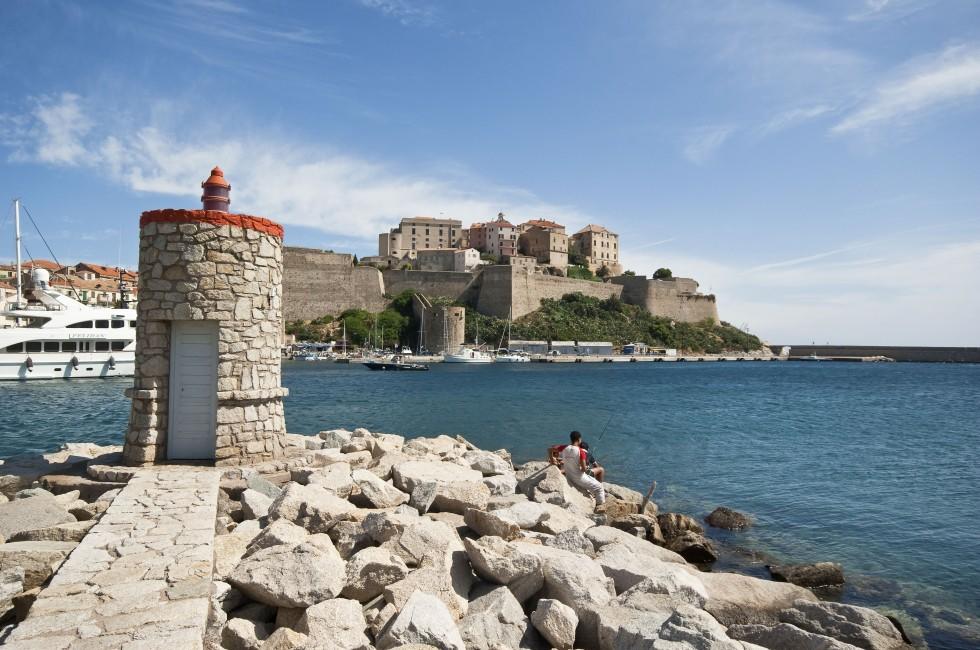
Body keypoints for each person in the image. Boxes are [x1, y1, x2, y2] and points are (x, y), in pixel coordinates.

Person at [547, 431, 606, 512]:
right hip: (579, 478)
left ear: (571, 439)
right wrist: (584, 466)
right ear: (579, 439)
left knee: (593, 484)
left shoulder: (564, 447)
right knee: (599, 487)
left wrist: (552, 459)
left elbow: (550, 449)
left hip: (569, 476)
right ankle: (599, 507)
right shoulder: (581, 452)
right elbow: (583, 469)